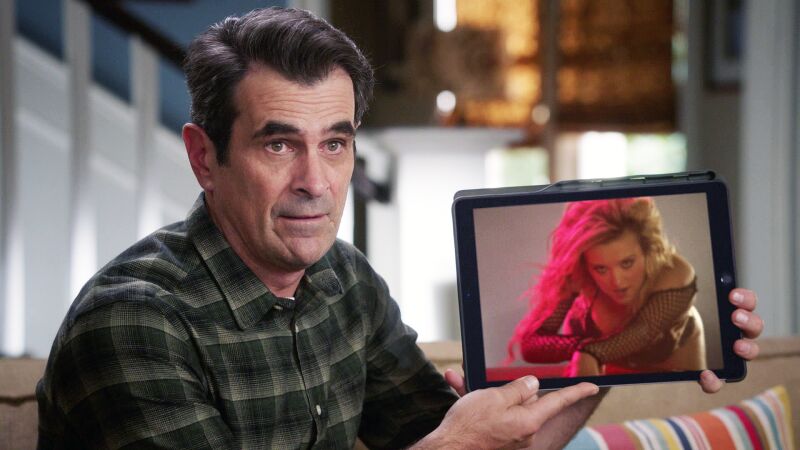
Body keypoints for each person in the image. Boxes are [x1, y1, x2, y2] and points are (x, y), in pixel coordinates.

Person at [36, 7, 763, 450]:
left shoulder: (343, 280)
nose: (316, 182)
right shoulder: (132, 323)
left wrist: (624, 351)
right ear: (205, 157)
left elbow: (484, 444)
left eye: (336, 143)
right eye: (279, 145)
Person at [508, 198, 711, 377]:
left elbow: (642, 332)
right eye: (601, 269)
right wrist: (582, 348)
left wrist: (591, 352)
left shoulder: (674, 271)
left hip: (676, 394)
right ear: (585, 265)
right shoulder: (578, 275)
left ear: (648, 250)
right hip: (599, 394)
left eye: (627, 263)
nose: (617, 282)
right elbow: (530, 345)